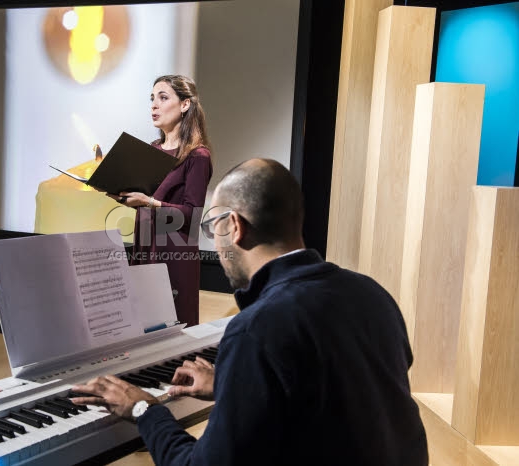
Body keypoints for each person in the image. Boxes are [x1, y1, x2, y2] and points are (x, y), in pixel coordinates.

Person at [72, 159, 429, 465]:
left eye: (213, 228)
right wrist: (234, 384)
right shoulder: (371, 293)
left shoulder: (257, 329)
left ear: (235, 226)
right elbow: (337, 393)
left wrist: (143, 409)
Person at [106, 75, 212, 328]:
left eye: (163, 98)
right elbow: (144, 198)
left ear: (185, 105)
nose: (154, 105)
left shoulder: (197, 156)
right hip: (145, 249)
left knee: (171, 330)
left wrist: (151, 202)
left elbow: (192, 213)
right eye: (152, 99)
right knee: (141, 328)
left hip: (173, 255)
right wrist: (121, 194)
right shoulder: (152, 149)